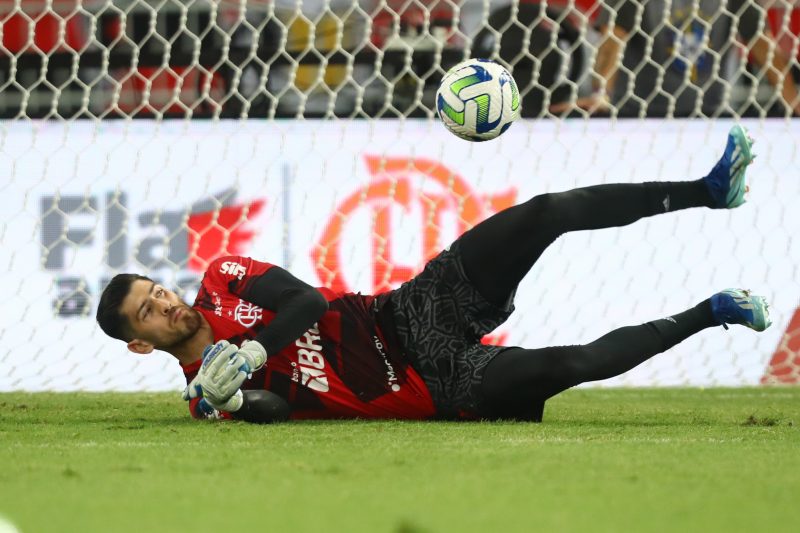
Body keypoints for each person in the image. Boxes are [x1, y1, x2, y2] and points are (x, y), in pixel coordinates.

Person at [96, 125, 771, 423]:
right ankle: (713, 310)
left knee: (546, 212)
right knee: (573, 362)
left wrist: (251, 350)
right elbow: (275, 414)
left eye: (158, 291)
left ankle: (707, 190)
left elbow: (307, 299)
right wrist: (237, 396)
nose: (167, 304)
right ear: (140, 343)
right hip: (431, 388)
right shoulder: (202, 396)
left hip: (411, 310)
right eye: (149, 313)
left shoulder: (224, 278)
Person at [550, 0, 800, 117]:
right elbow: (612, 42)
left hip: (708, 115)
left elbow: (764, 47)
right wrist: (602, 92)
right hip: (638, 115)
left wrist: (792, 101)